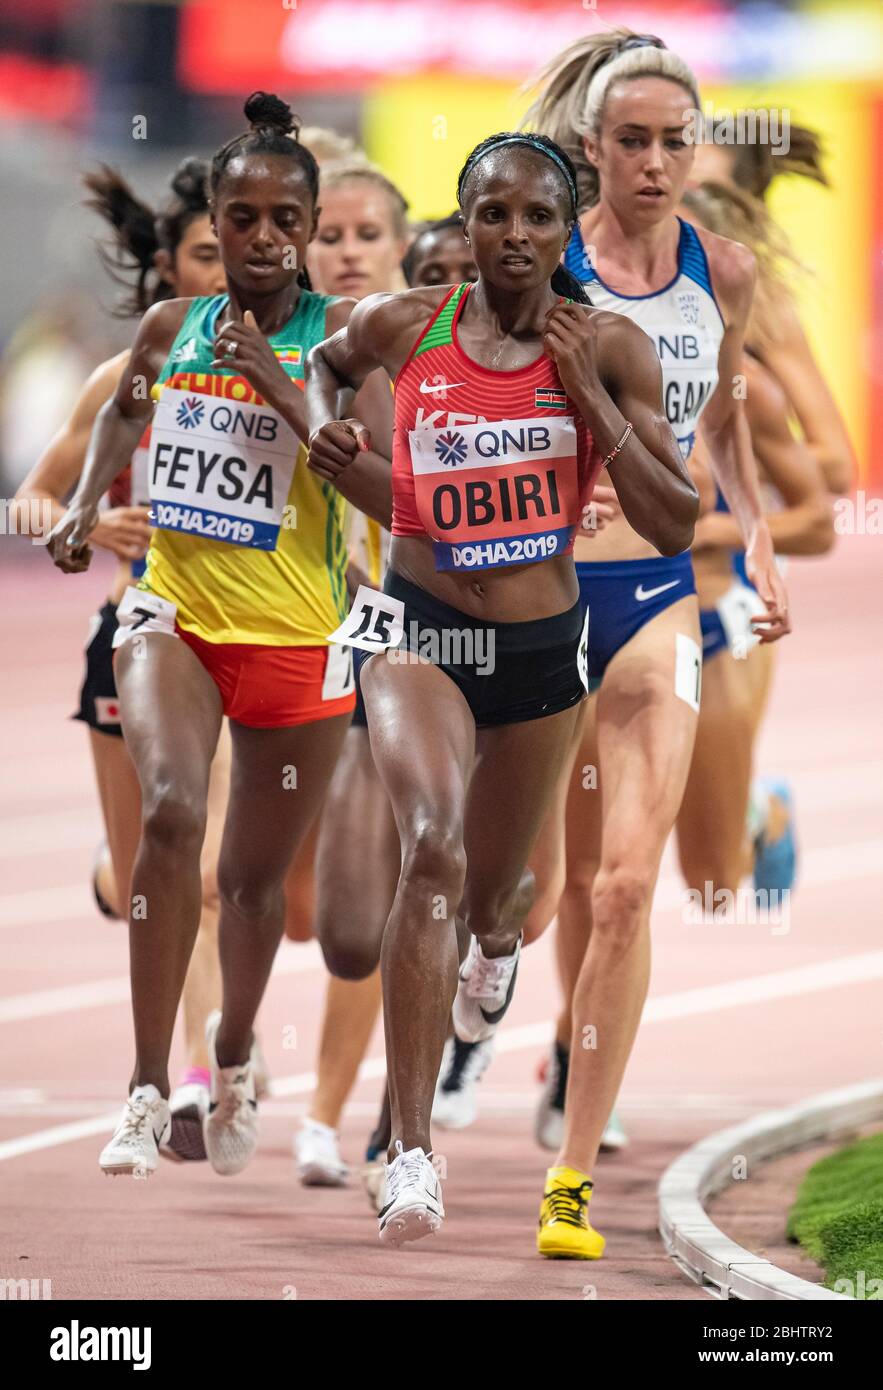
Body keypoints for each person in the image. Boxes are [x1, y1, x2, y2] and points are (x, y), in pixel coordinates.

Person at [306, 128, 698, 1246]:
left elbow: (672, 521)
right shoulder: (407, 323)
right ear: (465, 223)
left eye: (537, 216)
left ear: (567, 226)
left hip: (538, 651)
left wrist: (588, 397)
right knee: (429, 844)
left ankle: (495, 947)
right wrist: (345, 440)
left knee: (498, 894)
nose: (513, 235)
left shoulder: (608, 345)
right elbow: (326, 359)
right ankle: (412, 1152)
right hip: (418, 632)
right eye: (492, 214)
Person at [46, 91, 392, 1180]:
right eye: (240, 219)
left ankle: (235, 1051)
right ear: (218, 222)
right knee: (173, 817)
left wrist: (284, 394)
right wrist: (73, 511)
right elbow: (122, 409)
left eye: (284, 219)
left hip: (296, 636)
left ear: (308, 224)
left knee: (251, 890)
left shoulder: (341, 347)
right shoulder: (169, 327)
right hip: (174, 618)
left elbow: (389, 492)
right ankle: (152, 1084)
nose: (261, 239)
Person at [490, 28, 791, 1258]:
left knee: (625, 888)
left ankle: (569, 1178)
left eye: (676, 142)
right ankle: (485, 980)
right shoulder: (539, 264)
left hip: (657, 600)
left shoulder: (720, 267)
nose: (658, 163)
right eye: (633, 142)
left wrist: (757, 532)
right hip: (536, 598)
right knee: (533, 891)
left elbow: (722, 415)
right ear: (592, 150)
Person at [11, 159, 256, 1160]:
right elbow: (23, 503)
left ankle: (193, 1073)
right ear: (167, 267)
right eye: (204, 253)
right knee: (149, 883)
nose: (222, 269)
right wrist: (89, 520)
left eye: (234, 251)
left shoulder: (277, 368)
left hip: (240, 643)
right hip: (131, 639)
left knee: (201, 876)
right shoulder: (123, 381)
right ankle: (125, 899)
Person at [290, 160, 407, 1191]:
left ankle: (337, 1114)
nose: (347, 248)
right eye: (328, 232)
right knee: (299, 909)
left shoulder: (432, 354)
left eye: (368, 232)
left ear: (399, 248)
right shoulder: (267, 350)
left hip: (408, 642)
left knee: (381, 905)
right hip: (284, 636)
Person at [676, 179, 836, 897]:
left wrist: (722, 516)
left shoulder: (751, 355)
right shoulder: (588, 345)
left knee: (713, 880)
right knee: (595, 864)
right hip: (608, 614)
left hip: (721, 612)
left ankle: (755, 808)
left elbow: (832, 479)